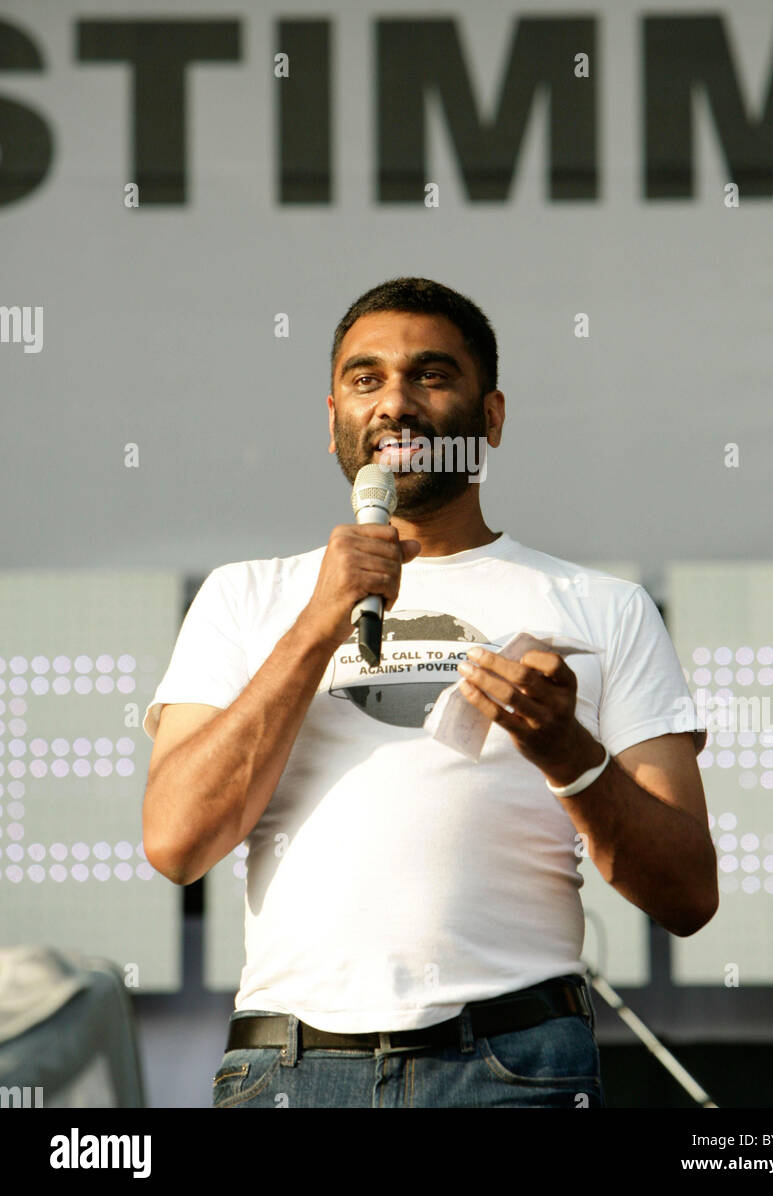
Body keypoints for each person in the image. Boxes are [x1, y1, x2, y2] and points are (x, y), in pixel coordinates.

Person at [142, 276, 717, 1109]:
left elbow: (689, 893)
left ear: (491, 417)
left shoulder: (604, 608)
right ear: (332, 415)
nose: (395, 403)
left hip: (514, 1065)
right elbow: (176, 842)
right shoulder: (247, 598)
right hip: (290, 1070)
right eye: (365, 379)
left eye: (432, 375)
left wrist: (569, 752)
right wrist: (315, 625)